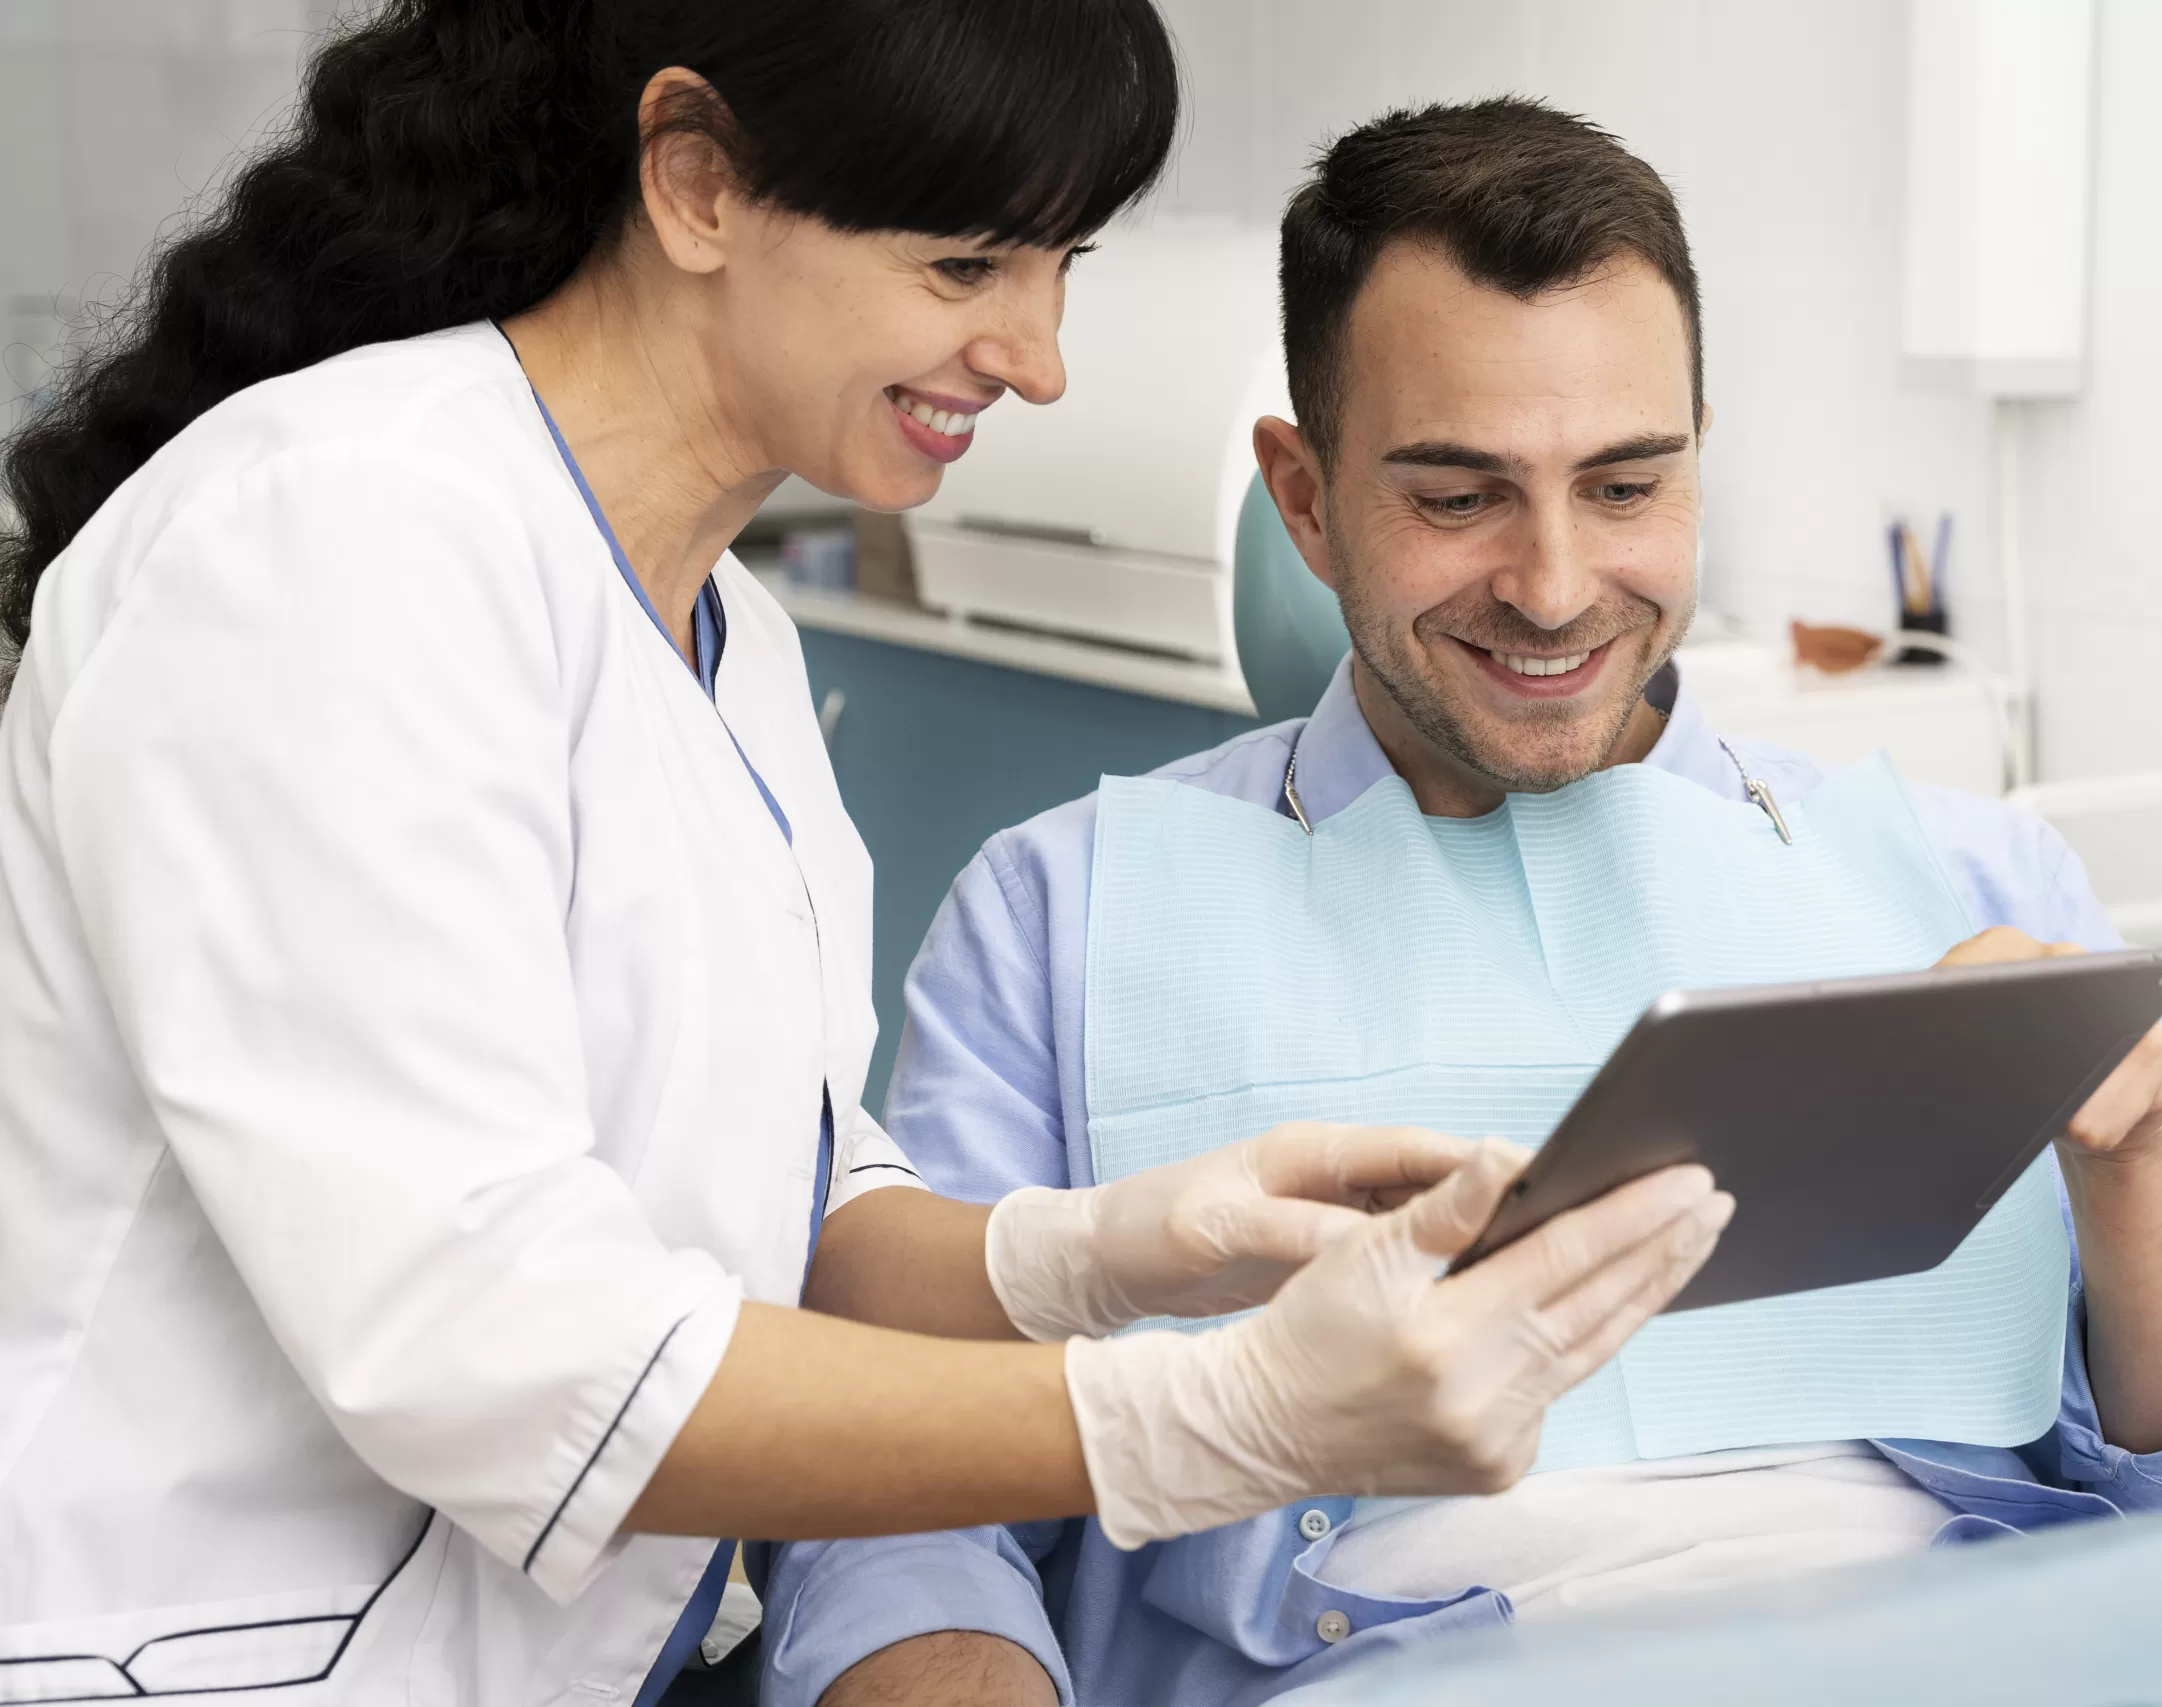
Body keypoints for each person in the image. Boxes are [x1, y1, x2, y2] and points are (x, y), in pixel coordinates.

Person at [0, 13, 1736, 1702]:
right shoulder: (336, 540)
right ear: (695, 182)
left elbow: (788, 1192)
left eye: (1061, 265)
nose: (1037, 358)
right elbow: (489, 1341)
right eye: (966, 266)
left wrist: (1106, 1253)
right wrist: (1215, 1416)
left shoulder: (730, 639)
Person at [760, 99, 2162, 1707]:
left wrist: (2144, 1155)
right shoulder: (1063, 915)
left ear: (1698, 463)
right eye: (1459, 498)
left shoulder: (1979, 881)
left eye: (1624, 486)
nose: (1554, 586)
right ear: (1305, 499)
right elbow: (899, 1515)